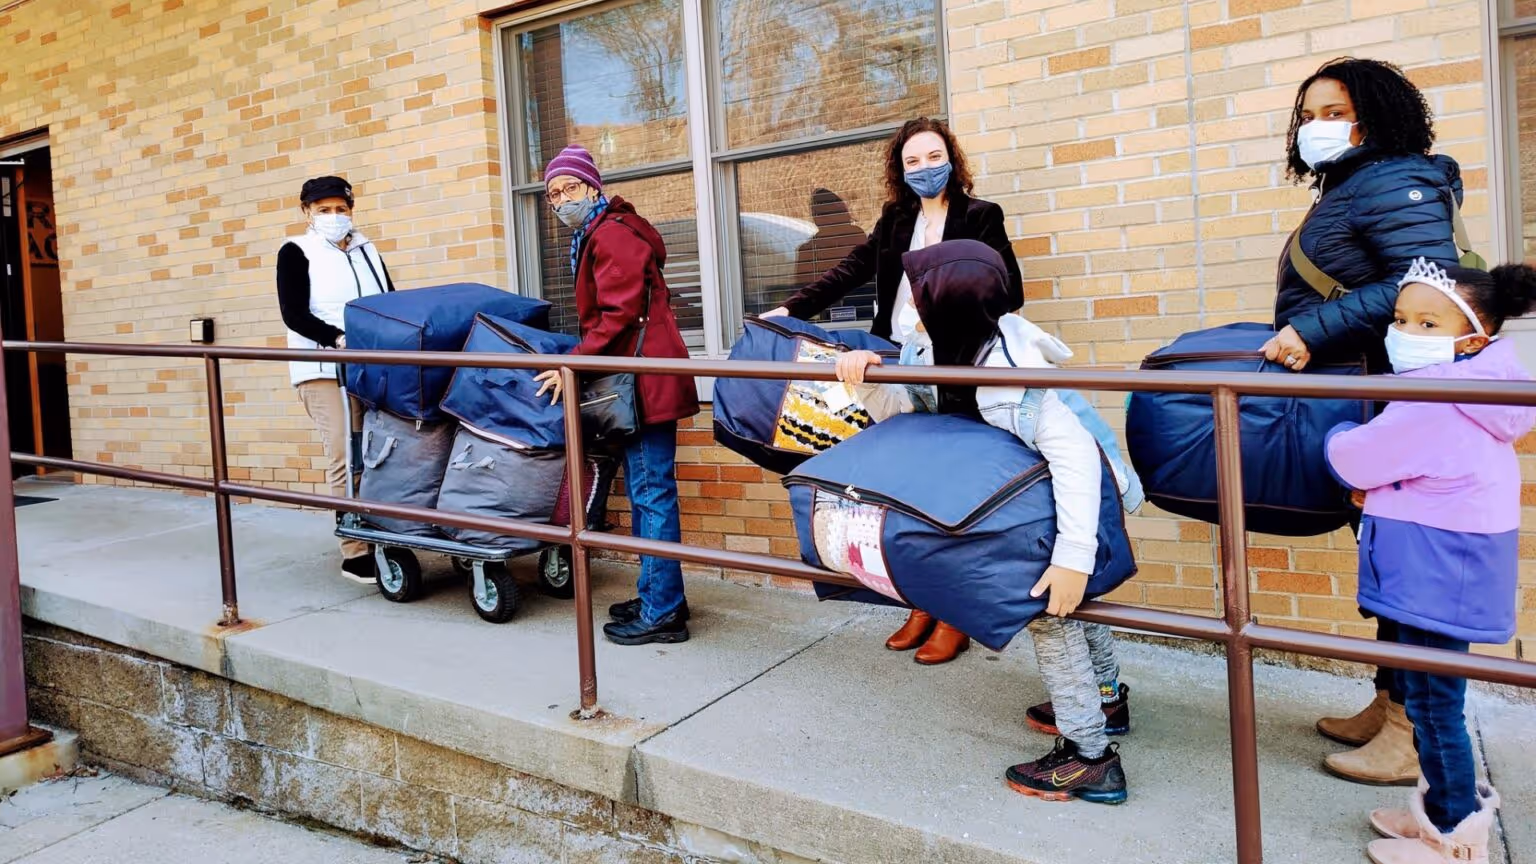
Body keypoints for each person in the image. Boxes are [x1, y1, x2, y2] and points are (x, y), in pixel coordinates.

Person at [836, 239, 1141, 805]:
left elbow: (1074, 459)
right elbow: (906, 420)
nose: (912, 307)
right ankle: (1104, 698)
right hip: (1030, 496)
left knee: (1053, 611)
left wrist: (1073, 556)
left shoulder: (1011, 367)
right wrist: (870, 380)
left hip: (1075, 496)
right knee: (1075, 604)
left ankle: (1090, 757)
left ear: (949, 302)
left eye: (920, 296)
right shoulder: (932, 352)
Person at [1261, 57, 1467, 786]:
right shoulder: (1354, 185)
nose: (1318, 128)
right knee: (1383, 554)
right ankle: (1391, 701)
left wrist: (1315, 328)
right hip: (1372, 399)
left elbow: (1427, 280)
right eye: (1308, 115)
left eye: (1334, 112)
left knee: (1406, 565)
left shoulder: (1391, 179)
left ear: (1374, 113)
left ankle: (1416, 733)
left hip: (1395, 402)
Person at [766, 117, 1023, 665]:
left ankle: (954, 614)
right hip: (897, 365)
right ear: (899, 171)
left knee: (951, 493)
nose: (925, 168)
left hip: (958, 371)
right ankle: (921, 602)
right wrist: (789, 310)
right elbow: (849, 271)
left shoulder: (981, 218)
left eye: (934, 157)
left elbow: (1010, 291)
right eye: (913, 161)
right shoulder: (895, 220)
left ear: (951, 159)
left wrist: (943, 309)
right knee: (907, 489)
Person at [1324, 258, 1535, 864]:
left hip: (1434, 573)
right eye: (1400, 318)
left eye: (1426, 321)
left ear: (1472, 336)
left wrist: (1334, 438)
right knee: (1428, 697)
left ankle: (1456, 838)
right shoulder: (1480, 390)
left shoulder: (1436, 401)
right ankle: (1440, 810)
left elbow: (1357, 458)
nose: (1406, 332)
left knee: (1435, 707)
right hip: (1454, 570)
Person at [531, 145, 700, 646]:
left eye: (570, 188)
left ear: (594, 187)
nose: (562, 201)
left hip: (643, 383)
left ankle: (662, 612)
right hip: (641, 382)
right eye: (553, 194)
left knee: (651, 494)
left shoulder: (612, 235)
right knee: (650, 494)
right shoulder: (604, 232)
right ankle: (660, 594)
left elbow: (618, 315)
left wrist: (573, 365)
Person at [276, 175, 394, 584]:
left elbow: (389, 301)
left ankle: (381, 531)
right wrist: (337, 339)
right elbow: (294, 313)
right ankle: (355, 550)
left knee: (380, 453)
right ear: (306, 211)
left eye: (341, 209)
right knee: (346, 455)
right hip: (323, 369)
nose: (333, 216)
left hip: (368, 366)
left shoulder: (367, 249)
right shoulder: (296, 250)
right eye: (323, 209)